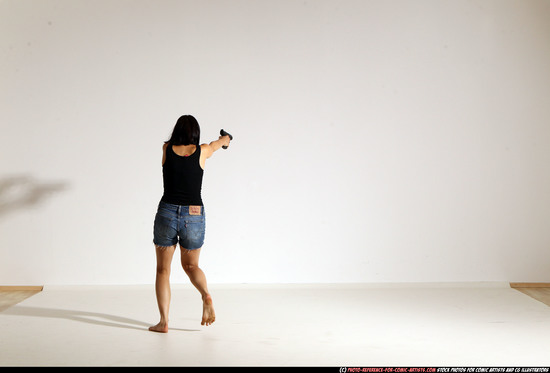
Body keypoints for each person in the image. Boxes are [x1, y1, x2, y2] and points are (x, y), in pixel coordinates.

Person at [149, 115, 231, 333]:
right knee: (191, 266)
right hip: (193, 215)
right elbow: (218, 144)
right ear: (196, 133)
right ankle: (205, 295)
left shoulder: (166, 148)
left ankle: (164, 322)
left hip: (167, 212)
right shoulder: (202, 151)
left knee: (162, 270)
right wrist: (226, 139)